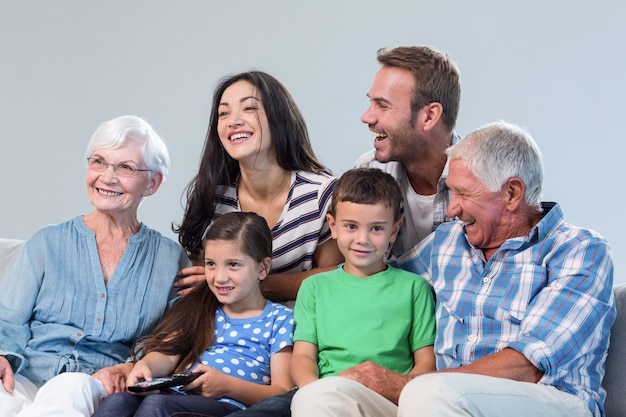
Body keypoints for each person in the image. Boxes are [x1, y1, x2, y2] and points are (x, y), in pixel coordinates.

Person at [291, 122, 616, 417]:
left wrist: (404, 384)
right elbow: (370, 272)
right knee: (321, 397)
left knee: (428, 392)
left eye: (462, 193)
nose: (451, 208)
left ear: (512, 193)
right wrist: (261, 285)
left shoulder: (579, 250)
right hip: (437, 401)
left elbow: (528, 365)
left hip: (544, 400)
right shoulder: (448, 241)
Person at [0, 115, 191, 417]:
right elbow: (7, 320)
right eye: (99, 162)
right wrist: (2, 355)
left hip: (94, 383)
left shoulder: (170, 259)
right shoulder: (46, 242)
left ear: (153, 183)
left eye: (125, 167)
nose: (108, 176)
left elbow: (174, 339)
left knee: (68, 391)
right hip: (24, 373)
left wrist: (134, 366)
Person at [218, 167, 436, 417]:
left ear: (393, 231)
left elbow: (426, 363)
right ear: (333, 226)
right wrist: (313, 392)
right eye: (351, 226)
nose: (362, 239)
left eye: (376, 228)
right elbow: (302, 357)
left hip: (385, 399)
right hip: (322, 393)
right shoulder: (315, 287)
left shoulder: (413, 287)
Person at [92, 212, 294, 417]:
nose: (220, 277)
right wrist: (145, 366)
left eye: (233, 264)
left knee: (157, 406)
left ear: (263, 268)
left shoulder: (279, 320)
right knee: (118, 402)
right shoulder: (202, 308)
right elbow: (168, 354)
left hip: (227, 405)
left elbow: (282, 392)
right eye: (211, 264)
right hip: (175, 395)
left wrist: (227, 386)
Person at [174, 71, 343, 304]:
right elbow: (202, 280)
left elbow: (337, 280)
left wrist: (254, 283)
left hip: (301, 335)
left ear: (279, 117)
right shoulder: (214, 198)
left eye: (249, 108)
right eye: (223, 113)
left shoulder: (321, 196)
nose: (233, 121)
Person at [355, 45, 462, 257]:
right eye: (371, 102)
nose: (367, 117)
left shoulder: (484, 181)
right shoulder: (367, 172)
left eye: (383, 106)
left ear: (430, 116)